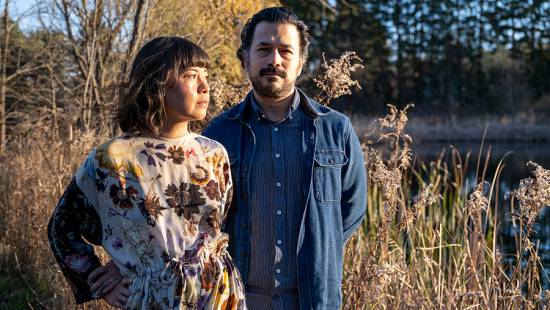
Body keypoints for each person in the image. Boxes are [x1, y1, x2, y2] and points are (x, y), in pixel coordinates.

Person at [47, 37, 246, 310]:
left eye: (206, 76)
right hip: (153, 300)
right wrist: (102, 285)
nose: (205, 86)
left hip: (219, 295)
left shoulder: (214, 154)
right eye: (190, 75)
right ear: (157, 82)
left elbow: (215, 228)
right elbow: (62, 229)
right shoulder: (112, 159)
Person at [201, 7, 367, 310]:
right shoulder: (218, 133)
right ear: (246, 57)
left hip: (313, 302)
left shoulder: (336, 130)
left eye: (285, 52)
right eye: (263, 49)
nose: (273, 61)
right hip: (238, 301)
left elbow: (352, 208)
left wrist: (319, 247)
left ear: (301, 63)